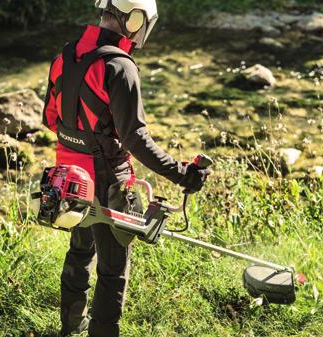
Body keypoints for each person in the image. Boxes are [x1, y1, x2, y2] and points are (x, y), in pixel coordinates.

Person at [42, 0, 211, 336]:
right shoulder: (120, 66)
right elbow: (136, 140)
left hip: (69, 177)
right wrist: (183, 174)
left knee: (80, 252)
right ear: (135, 20)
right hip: (108, 182)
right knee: (112, 269)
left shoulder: (65, 55)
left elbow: (50, 120)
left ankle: (71, 329)